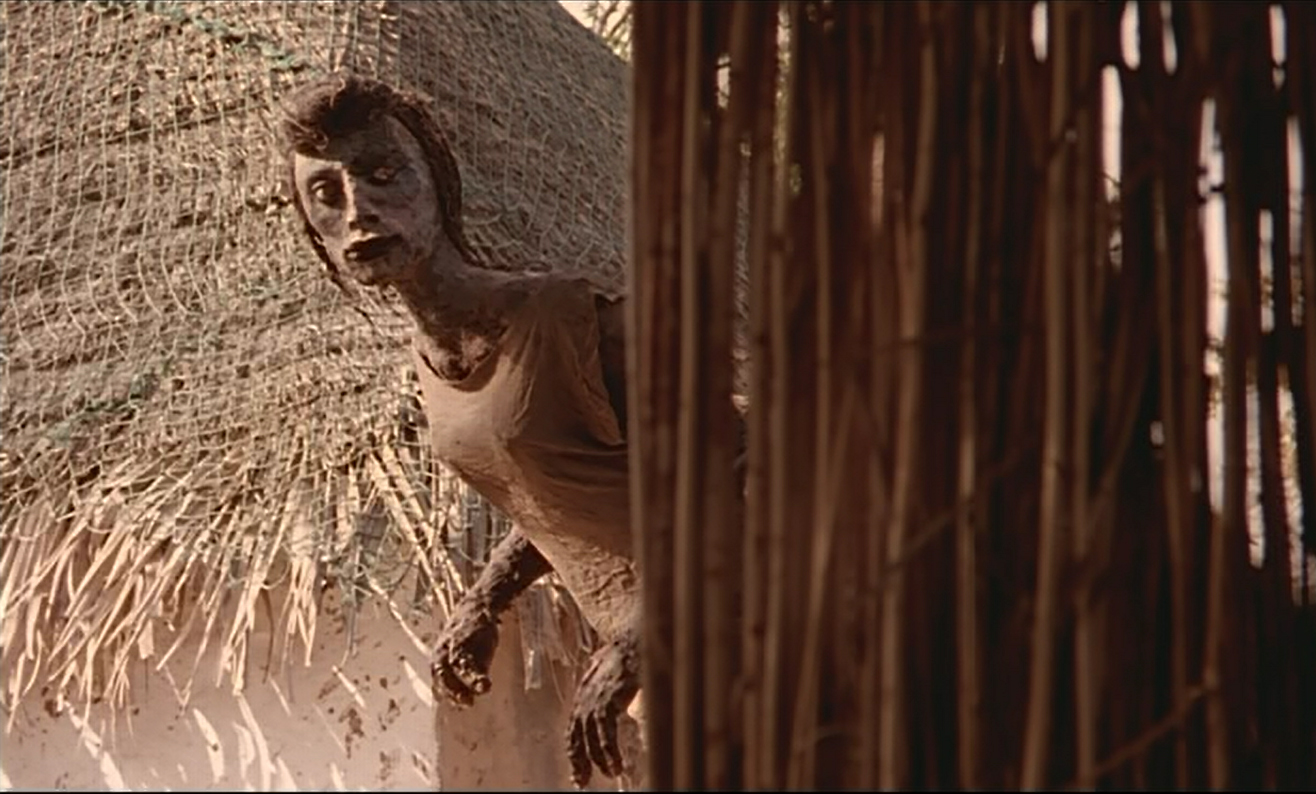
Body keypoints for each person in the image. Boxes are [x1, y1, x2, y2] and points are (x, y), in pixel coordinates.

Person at [280, 72, 644, 788]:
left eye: (384, 175)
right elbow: (561, 489)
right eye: (326, 193)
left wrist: (640, 637)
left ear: (439, 185)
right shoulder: (429, 362)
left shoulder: (569, 317)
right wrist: (486, 601)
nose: (359, 209)